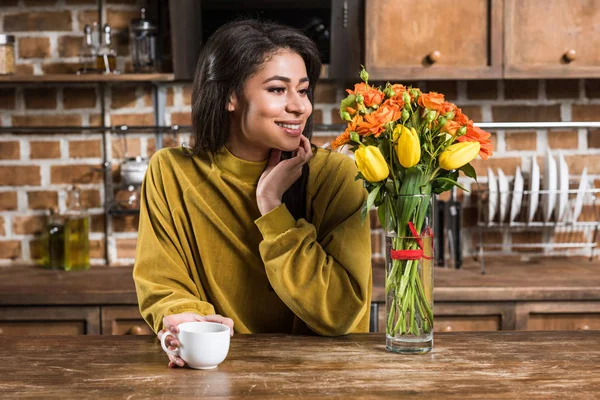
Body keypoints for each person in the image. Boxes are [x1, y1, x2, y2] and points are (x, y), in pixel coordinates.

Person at [133, 19, 372, 368]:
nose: (300, 106)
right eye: (278, 89)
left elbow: (339, 313)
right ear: (230, 96)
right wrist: (181, 317)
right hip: (217, 374)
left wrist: (272, 206)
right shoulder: (171, 172)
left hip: (322, 377)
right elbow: (163, 282)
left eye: (303, 90)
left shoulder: (336, 176)